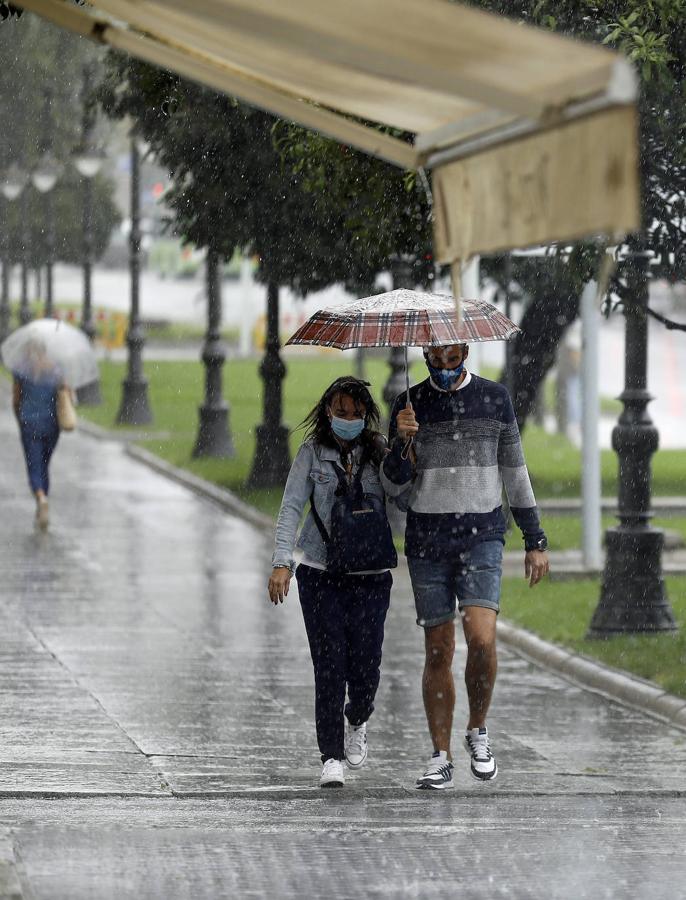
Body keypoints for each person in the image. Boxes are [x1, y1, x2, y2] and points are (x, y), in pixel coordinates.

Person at [381, 343, 549, 790]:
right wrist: (402, 443)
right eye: (435, 358)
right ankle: (441, 754)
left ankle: (477, 729)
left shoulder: (495, 398)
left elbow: (515, 471)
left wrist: (534, 539)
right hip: (427, 541)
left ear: (465, 351)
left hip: (482, 537)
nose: (443, 366)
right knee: (438, 648)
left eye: (452, 358)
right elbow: (391, 485)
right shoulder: (408, 404)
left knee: (481, 637)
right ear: (425, 352)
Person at [268, 376, 395, 788]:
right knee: (329, 666)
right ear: (328, 411)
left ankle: (358, 716)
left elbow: (404, 494)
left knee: (366, 666)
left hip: (370, 575)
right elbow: (291, 507)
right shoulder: (311, 453)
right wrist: (282, 562)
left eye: (356, 414)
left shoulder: (379, 452)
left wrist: (405, 449)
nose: (349, 420)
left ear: (366, 415)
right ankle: (331, 756)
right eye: (341, 412)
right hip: (321, 574)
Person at [12, 338, 66, 530]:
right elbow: (64, 394)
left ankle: (41, 498)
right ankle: (43, 500)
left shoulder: (22, 369)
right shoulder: (56, 369)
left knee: (34, 465)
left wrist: (19, 418)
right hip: (52, 425)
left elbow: (16, 399)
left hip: (29, 423)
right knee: (44, 463)